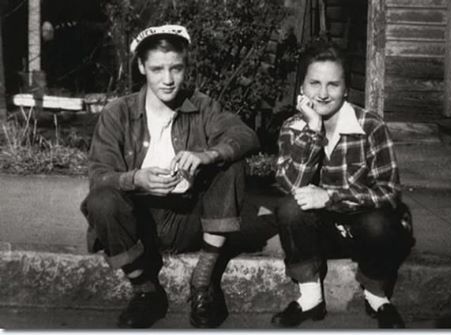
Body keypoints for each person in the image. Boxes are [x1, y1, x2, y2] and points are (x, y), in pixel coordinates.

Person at [80, 25, 259, 329]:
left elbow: (245, 136)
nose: (167, 79)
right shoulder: (117, 113)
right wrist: (136, 179)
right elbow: (99, 177)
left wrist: (207, 155)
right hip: (138, 221)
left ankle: (203, 282)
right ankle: (144, 291)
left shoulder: (202, 106)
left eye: (176, 68)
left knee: (230, 162)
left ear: (185, 67)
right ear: (141, 67)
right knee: (101, 200)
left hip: (188, 218)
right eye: (157, 69)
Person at [271, 38, 414, 328]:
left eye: (333, 85)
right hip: (318, 234)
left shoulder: (370, 125)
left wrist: (331, 196)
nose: (323, 94)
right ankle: (310, 296)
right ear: (301, 88)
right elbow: (289, 185)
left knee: (381, 222)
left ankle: (377, 295)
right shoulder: (292, 127)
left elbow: (389, 193)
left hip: (363, 231)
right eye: (314, 83)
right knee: (289, 208)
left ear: (346, 88)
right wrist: (312, 129)